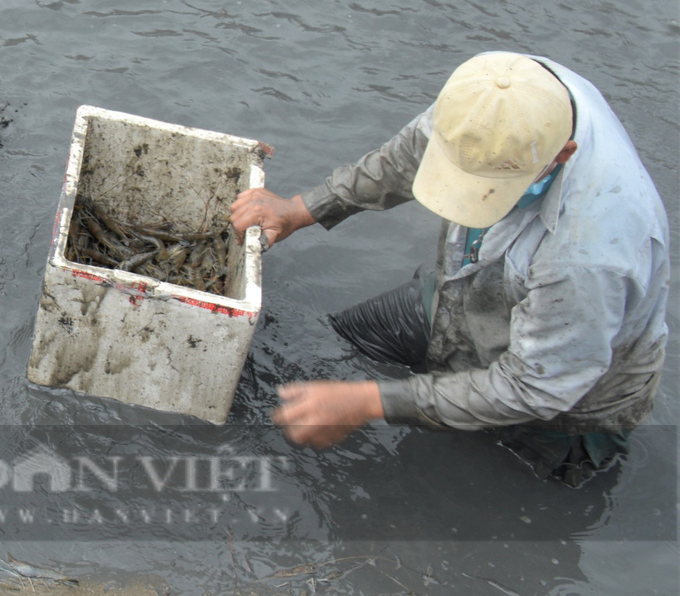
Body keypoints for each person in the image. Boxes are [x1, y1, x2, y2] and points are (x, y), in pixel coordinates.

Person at [233, 51, 668, 483]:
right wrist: (302, 208)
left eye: (491, 186)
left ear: (563, 154)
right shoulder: (496, 95)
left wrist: (372, 402)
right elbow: (408, 155)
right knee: (332, 344)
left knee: (465, 489)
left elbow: (536, 388)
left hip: (559, 401)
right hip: (462, 296)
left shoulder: (590, 253)